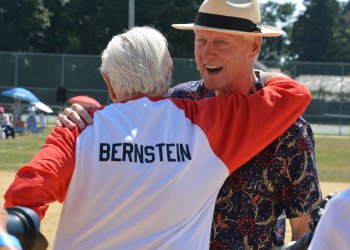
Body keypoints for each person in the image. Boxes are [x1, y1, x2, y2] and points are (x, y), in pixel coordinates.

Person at [4, 26, 311, 249]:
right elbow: (293, 94)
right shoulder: (205, 121)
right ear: (169, 74)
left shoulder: (78, 130)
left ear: (108, 85)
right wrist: (260, 72)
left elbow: (25, 197)